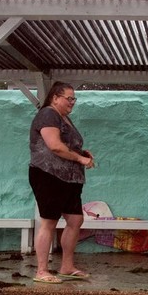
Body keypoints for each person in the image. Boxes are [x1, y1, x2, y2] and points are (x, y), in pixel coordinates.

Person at [29, 82, 95, 284]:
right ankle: (42, 270)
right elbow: (55, 146)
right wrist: (79, 159)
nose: (72, 102)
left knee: (75, 220)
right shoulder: (48, 114)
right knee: (49, 221)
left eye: (74, 99)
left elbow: (67, 144)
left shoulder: (63, 117)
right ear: (55, 97)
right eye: (69, 98)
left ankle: (66, 266)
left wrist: (82, 153)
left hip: (69, 178)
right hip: (49, 175)